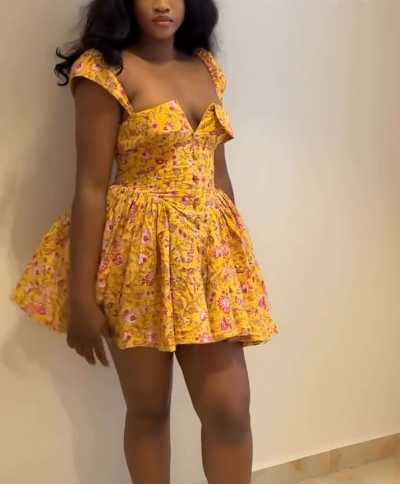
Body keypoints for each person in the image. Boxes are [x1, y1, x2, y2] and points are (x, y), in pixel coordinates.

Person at [12, 0, 277, 482]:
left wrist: (235, 261)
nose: (162, 3)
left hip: (206, 256)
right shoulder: (104, 71)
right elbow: (91, 185)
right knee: (149, 408)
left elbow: (218, 174)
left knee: (230, 408)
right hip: (138, 254)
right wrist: (81, 299)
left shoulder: (205, 67)